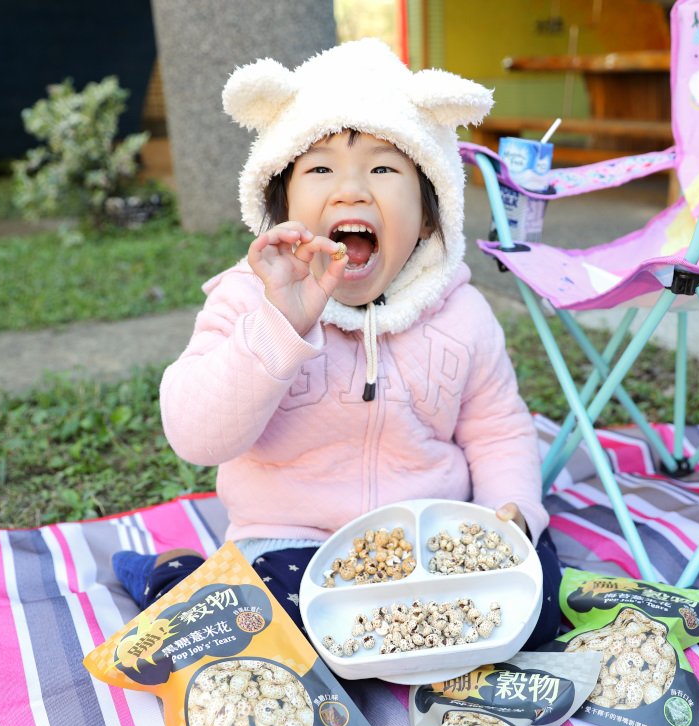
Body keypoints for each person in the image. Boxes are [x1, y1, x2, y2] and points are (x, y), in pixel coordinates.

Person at [112, 39, 562, 649]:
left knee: (537, 612)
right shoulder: (249, 300)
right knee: (256, 634)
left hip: (429, 541)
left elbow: (499, 429)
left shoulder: (462, 313)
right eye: (319, 169)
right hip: (291, 545)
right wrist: (280, 325)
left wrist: (509, 514)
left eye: (383, 168)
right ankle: (176, 577)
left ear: (431, 214)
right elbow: (196, 437)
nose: (350, 192)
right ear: (280, 203)